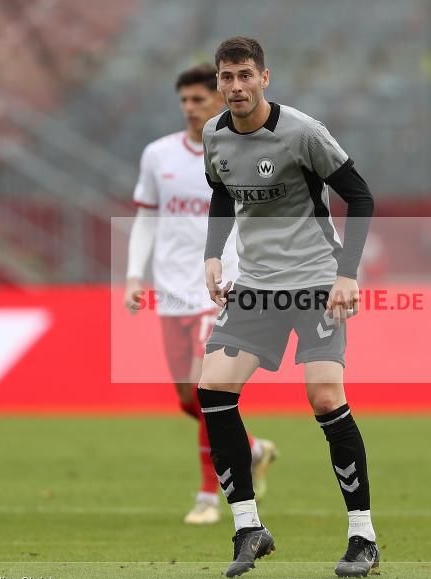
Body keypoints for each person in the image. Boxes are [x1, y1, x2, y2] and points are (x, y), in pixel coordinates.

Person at [198, 37, 378, 578]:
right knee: (212, 390)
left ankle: (362, 538)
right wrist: (212, 256)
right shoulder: (214, 135)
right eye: (226, 78)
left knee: (324, 397)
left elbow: (361, 195)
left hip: (317, 282)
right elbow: (222, 195)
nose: (235, 87)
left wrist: (346, 274)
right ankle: (248, 525)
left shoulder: (302, 132)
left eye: (244, 76)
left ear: (264, 77)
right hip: (256, 286)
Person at [125, 63, 277, 526]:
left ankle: (210, 497)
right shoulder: (158, 155)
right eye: (185, 101)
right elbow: (147, 219)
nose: (191, 109)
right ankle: (252, 449)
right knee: (187, 400)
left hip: (222, 288)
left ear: (220, 99)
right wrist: (134, 276)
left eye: (199, 100)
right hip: (172, 292)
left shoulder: (243, 152)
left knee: (204, 387)